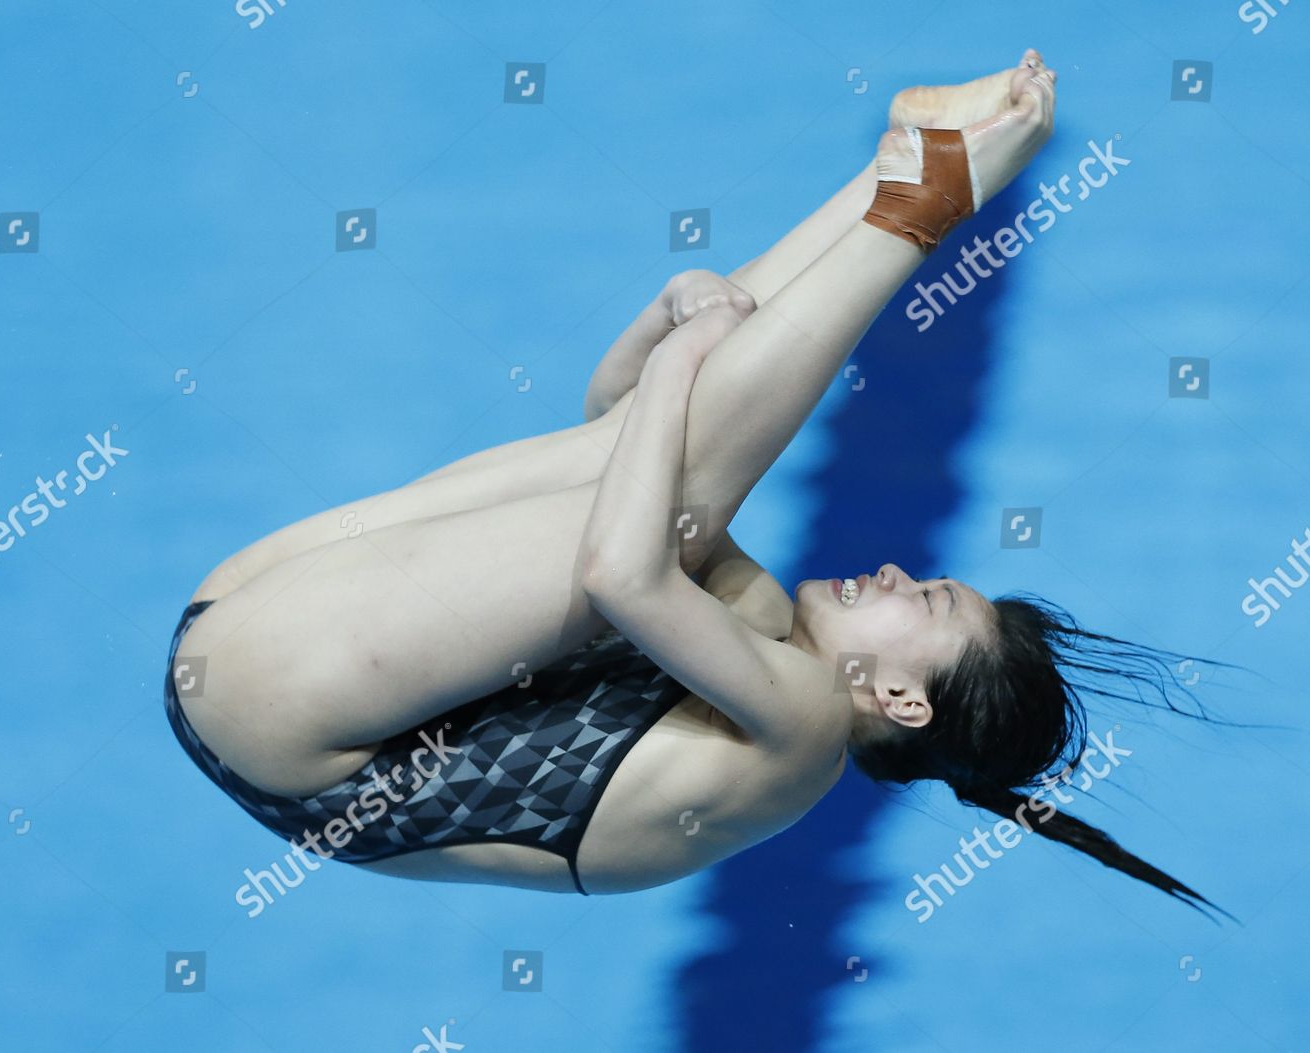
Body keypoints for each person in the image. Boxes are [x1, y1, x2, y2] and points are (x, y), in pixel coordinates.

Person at [164, 50, 1231, 917]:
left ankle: (925, 192)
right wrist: (667, 323)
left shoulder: (807, 731)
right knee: (660, 467)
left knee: (676, 501)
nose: (903, 572)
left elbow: (621, 568)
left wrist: (683, 358)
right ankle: (902, 172)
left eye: (931, 602)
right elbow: (614, 433)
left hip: (284, 714)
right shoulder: (760, 633)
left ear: (900, 700)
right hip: (259, 673)